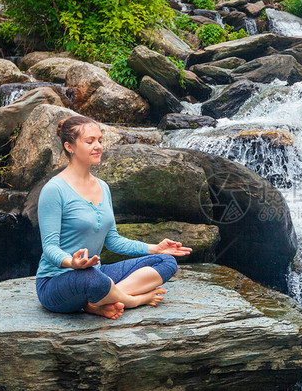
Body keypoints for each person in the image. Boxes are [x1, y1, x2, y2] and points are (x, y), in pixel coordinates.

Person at [35, 115, 192, 319]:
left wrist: (155, 248)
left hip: (96, 274)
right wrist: (71, 263)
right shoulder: (54, 190)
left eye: (100, 140)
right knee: (92, 278)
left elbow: (113, 241)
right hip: (57, 282)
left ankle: (99, 301)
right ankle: (133, 300)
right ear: (70, 147)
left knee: (166, 262)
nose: (98, 146)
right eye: (90, 141)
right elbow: (49, 248)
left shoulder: (103, 187)